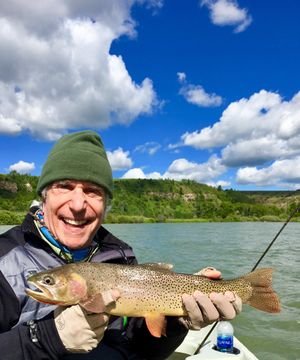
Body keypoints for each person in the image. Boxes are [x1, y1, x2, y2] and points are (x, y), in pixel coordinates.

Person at [0, 130, 242, 359]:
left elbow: (146, 351)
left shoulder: (120, 256)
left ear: (105, 205)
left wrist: (177, 321)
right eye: (64, 186)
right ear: (44, 197)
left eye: (92, 191)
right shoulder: (4, 259)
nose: (77, 204)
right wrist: (46, 338)